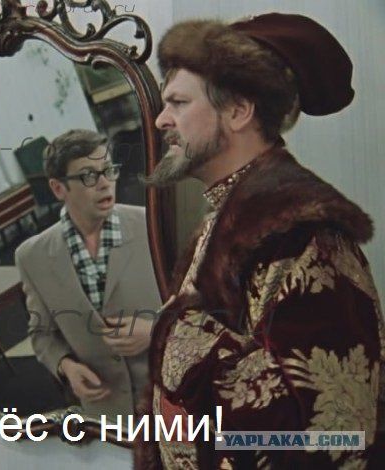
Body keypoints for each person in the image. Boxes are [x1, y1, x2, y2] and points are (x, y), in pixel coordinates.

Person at [135, 13, 384, 469]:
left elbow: (338, 431)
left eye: (179, 102)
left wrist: (182, 343)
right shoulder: (224, 218)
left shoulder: (302, 237)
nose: (161, 119)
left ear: (238, 111)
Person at [15, 129, 161, 417]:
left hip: (172, 400)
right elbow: (42, 333)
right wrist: (65, 366)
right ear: (58, 189)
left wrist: (156, 331)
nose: (105, 183)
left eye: (108, 170)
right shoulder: (32, 257)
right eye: (88, 176)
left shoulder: (153, 226)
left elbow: (198, 305)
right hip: (107, 413)